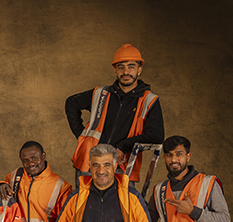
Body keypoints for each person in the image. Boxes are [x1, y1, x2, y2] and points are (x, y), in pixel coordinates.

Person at [65, 44, 164, 187]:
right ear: (115, 70)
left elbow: (157, 136)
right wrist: (82, 136)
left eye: (131, 66)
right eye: (121, 67)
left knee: (120, 209)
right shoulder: (101, 93)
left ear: (139, 69)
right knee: (83, 207)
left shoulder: (149, 100)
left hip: (122, 167)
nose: (126, 71)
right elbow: (71, 103)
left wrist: (123, 146)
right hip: (90, 163)